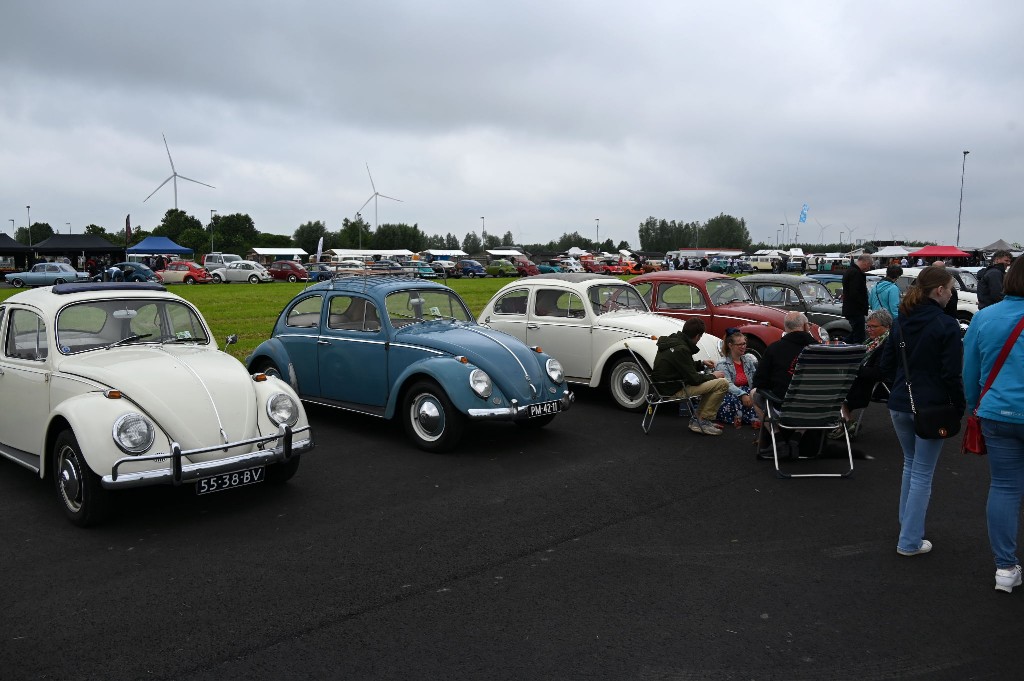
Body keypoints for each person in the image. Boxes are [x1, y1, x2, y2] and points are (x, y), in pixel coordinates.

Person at [879, 266, 965, 557]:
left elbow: (886, 365)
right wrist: (959, 406)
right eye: (951, 288)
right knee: (922, 474)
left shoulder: (901, 320)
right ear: (939, 290)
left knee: (911, 466)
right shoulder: (947, 325)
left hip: (901, 402)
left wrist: (900, 388)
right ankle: (909, 540)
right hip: (931, 406)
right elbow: (952, 373)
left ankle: (908, 526)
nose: (952, 293)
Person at [963, 261, 1024, 592]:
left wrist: (975, 406)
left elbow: (969, 370)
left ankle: (1005, 567)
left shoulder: (984, 317)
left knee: (1004, 487)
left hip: (997, 412)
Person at [651, 318, 729, 436]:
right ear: (698, 336)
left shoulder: (673, 341)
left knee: (712, 383)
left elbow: (683, 366)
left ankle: (699, 419)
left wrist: (702, 363)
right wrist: (713, 375)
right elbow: (694, 379)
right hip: (673, 390)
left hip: (664, 386)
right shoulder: (681, 349)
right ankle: (702, 421)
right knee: (722, 383)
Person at [831, 308, 893, 438]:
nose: (869, 329)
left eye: (873, 327)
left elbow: (879, 372)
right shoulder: (874, 341)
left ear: (886, 327)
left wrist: (853, 368)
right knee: (834, 380)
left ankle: (845, 423)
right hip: (866, 380)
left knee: (834, 385)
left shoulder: (887, 344)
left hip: (879, 384)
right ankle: (845, 423)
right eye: (868, 326)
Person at [714, 329, 761, 429]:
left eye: (744, 343)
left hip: (746, 393)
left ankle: (744, 417)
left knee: (755, 395)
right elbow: (728, 384)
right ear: (730, 345)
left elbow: (755, 379)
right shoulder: (722, 364)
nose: (743, 346)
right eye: (739, 344)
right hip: (729, 395)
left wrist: (752, 394)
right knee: (734, 398)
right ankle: (750, 418)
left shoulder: (748, 360)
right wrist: (742, 394)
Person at [842, 255, 873, 344]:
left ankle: (841, 345)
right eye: (869, 265)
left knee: (856, 333)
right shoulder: (855, 273)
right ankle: (856, 353)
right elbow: (855, 293)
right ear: (866, 263)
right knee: (859, 336)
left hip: (852, 309)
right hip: (856, 310)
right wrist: (863, 305)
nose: (868, 268)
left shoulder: (851, 271)